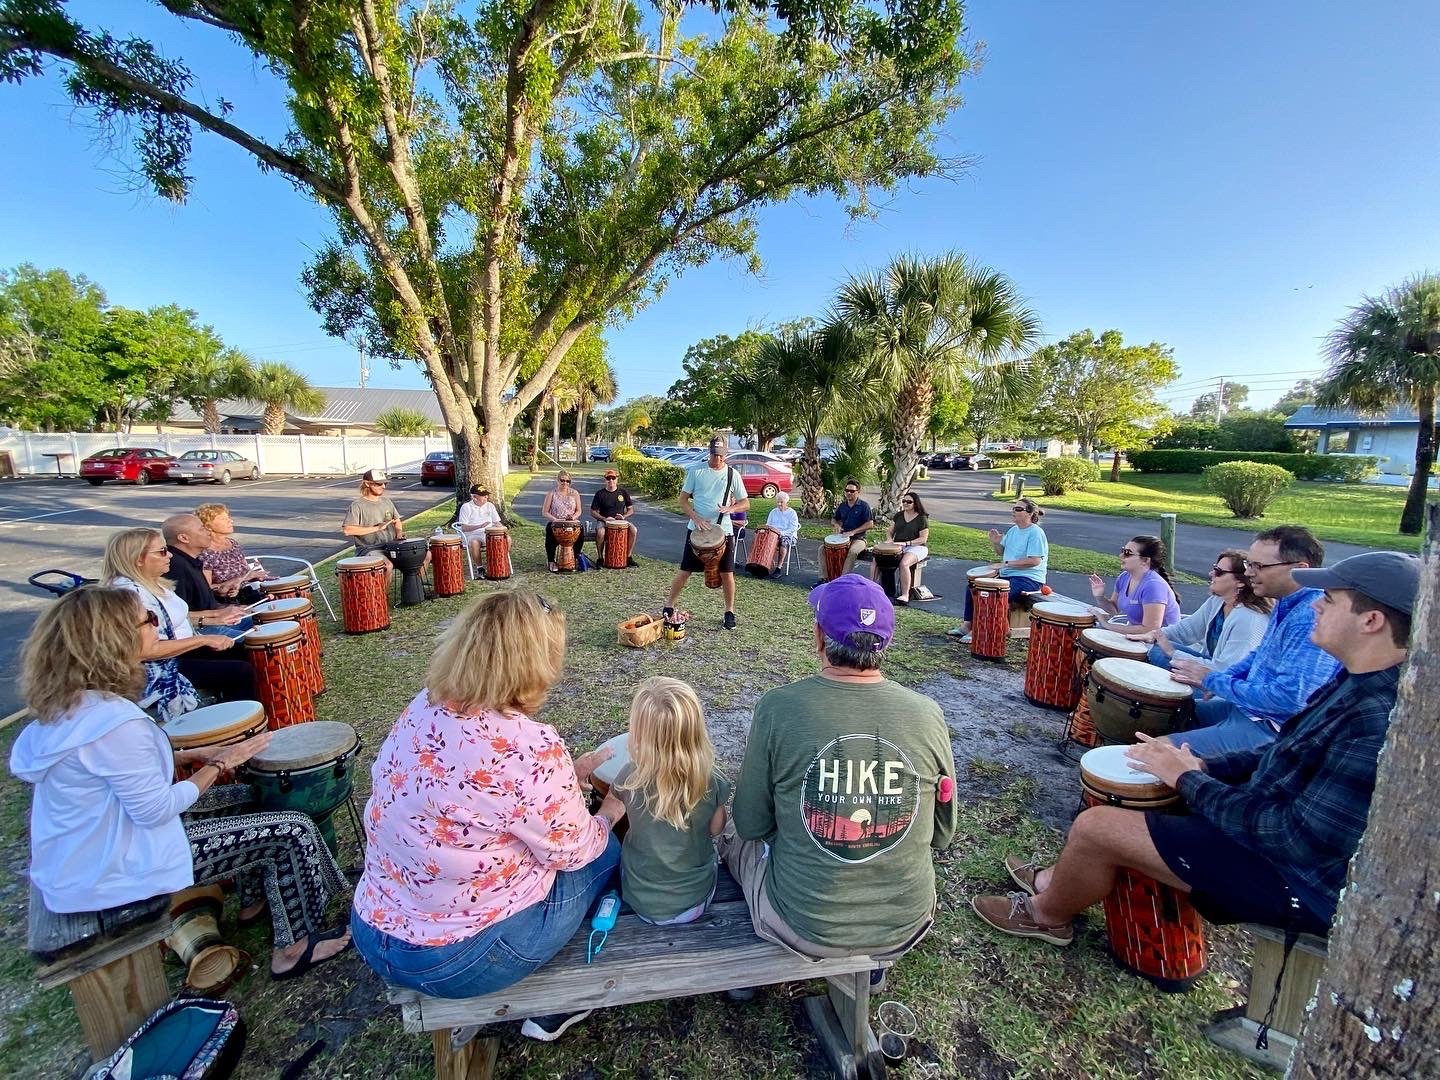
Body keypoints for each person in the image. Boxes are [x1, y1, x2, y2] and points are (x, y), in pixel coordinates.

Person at [970, 551, 1419, 948]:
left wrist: (1190, 781)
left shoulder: (1375, 719)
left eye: (1331, 600)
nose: (1316, 605)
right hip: (1276, 840)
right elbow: (1283, 751)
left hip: (1300, 883)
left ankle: (1047, 916)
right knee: (1150, 782)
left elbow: (1291, 837)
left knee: (1096, 827)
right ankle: (1054, 881)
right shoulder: (1356, 681)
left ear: (1371, 621)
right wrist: (1203, 764)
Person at [10, 586, 352, 979]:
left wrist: (187, 757)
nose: (157, 627)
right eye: (148, 620)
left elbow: (108, 774)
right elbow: (156, 809)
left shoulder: (69, 707)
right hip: (117, 868)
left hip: (88, 856)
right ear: (114, 640)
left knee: (251, 794)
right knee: (293, 829)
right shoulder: (115, 724)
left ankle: (254, 900)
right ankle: (293, 948)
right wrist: (222, 762)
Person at [350, 591, 623, 1042]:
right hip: (457, 960)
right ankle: (572, 995)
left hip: (373, 927)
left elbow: (474, 800)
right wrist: (609, 813)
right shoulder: (528, 746)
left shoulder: (423, 706)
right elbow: (577, 848)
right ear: (536, 663)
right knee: (607, 855)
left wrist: (564, 782)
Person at [724, 575, 957, 968]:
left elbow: (750, 825)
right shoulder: (927, 713)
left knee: (731, 837)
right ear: (887, 643)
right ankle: (872, 967)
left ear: (819, 637)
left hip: (802, 925)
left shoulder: (779, 707)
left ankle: (745, 968)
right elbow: (943, 834)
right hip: (906, 924)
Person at [1165, 525, 1341, 757]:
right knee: (1166, 713)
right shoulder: (1286, 602)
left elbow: (1290, 700)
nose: (1248, 573)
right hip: (1249, 711)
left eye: (1259, 566)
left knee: (1156, 751)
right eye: (1250, 564)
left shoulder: (1310, 617)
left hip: (1271, 728)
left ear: (1299, 569)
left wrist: (1215, 681)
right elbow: (1260, 655)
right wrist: (1217, 679)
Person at [102, 528, 256, 721]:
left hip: (179, 649)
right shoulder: (129, 595)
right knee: (240, 671)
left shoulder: (152, 583)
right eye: (162, 552)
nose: (170, 555)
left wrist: (215, 615)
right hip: (156, 667)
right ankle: (234, 728)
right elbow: (145, 650)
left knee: (251, 650)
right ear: (138, 559)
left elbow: (176, 617)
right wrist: (205, 639)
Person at [614, 677, 731, 925]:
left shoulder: (629, 777)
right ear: (695, 729)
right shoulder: (712, 779)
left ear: (638, 731)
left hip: (639, 900)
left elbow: (617, 811)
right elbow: (717, 829)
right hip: (694, 902)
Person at [1127, 549, 1272, 675]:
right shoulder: (1218, 601)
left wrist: (1172, 653)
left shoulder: (1249, 619)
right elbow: (1187, 629)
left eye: (1219, 572)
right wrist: (1153, 635)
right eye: (1214, 568)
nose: (1211, 573)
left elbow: (1228, 671)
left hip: (1227, 685)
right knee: (1151, 647)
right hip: (1213, 669)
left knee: (1157, 655)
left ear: (1240, 582)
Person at [664, 437, 749, 630]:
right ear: (709, 452)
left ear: (725, 455)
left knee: (727, 574)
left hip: (723, 532)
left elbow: (745, 502)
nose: (717, 459)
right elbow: (683, 500)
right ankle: (669, 606)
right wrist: (695, 517)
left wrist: (731, 508)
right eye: (714, 454)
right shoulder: (697, 471)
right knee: (685, 571)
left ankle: (729, 612)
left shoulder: (732, 474)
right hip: (697, 531)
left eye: (720, 455)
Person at [947, 497, 1049, 644]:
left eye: (1018, 509)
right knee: (973, 586)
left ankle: (979, 631)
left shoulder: (1035, 533)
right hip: (1008, 576)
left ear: (1030, 513)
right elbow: (1001, 552)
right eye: (1014, 508)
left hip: (1029, 579)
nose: (1014, 511)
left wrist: (1005, 564)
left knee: (991, 594)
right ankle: (967, 625)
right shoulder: (1014, 530)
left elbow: (1034, 561)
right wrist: (995, 543)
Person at [162, 514, 255, 639]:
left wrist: (225, 601)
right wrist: (218, 613)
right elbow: (175, 616)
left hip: (214, 621)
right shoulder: (175, 567)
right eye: (202, 529)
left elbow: (201, 603)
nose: (209, 532)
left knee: (265, 619)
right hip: (200, 629)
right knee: (258, 640)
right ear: (184, 538)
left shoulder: (191, 560)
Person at [1086, 535, 1181, 633]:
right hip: (1141, 640)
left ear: (1145, 560)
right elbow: (1114, 610)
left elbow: (1150, 629)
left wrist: (1107, 625)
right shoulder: (1124, 577)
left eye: (1127, 553)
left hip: (1163, 643)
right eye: (1122, 551)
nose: (1121, 556)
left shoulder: (1154, 586)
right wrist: (1100, 596)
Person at [194, 503, 272, 603]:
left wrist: (256, 576)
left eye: (229, 517)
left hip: (248, 592)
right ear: (207, 526)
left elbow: (246, 572)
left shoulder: (232, 543)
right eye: (223, 519)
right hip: (228, 602)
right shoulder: (205, 552)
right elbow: (206, 588)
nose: (231, 521)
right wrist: (238, 580)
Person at [342, 468, 404, 582]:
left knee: (424, 556)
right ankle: (382, 598)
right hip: (368, 549)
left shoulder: (387, 502)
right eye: (379, 484)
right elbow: (348, 530)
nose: (383, 487)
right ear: (367, 484)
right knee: (387, 566)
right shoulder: (357, 505)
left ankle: (413, 592)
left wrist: (399, 534)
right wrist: (377, 528)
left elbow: (397, 521)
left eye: (385, 483)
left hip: (391, 546)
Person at [872, 490, 929, 605]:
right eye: (904, 501)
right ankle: (871, 588)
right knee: (877, 558)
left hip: (917, 546)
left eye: (909, 501)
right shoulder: (899, 515)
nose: (906, 503)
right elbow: (890, 531)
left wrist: (907, 543)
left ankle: (905, 594)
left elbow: (923, 539)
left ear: (915, 503)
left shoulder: (921, 518)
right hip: (898, 545)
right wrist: (889, 539)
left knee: (904, 563)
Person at [590, 469, 638, 567]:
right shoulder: (600, 494)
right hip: (604, 520)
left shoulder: (623, 492)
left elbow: (631, 509)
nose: (611, 480)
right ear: (605, 480)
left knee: (634, 530)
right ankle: (600, 558)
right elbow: (593, 512)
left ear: (617, 479)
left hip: (620, 521)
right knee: (600, 532)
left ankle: (628, 557)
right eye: (608, 478)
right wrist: (604, 519)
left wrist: (623, 516)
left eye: (613, 478)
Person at [541, 470, 585, 573]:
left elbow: (579, 510)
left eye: (567, 481)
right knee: (549, 530)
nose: (565, 483)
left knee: (581, 530)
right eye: (562, 480)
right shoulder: (551, 494)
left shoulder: (575, 493)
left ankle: (575, 557)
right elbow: (545, 512)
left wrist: (573, 517)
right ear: (558, 481)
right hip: (556, 522)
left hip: (571, 522)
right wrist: (555, 520)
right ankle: (551, 560)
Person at [829, 479, 874, 577]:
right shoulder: (843, 505)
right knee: (822, 549)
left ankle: (843, 579)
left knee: (852, 552)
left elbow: (870, 524)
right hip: (843, 537)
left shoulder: (864, 506)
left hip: (859, 539)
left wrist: (854, 532)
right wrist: (836, 524)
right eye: (847, 490)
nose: (849, 493)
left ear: (858, 492)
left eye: (852, 491)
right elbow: (834, 519)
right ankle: (824, 578)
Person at [455, 484, 502, 571]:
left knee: (507, 539)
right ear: (474, 497)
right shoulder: (466, 507)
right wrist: (480, 526)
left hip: (488, 533)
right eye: (483, 496)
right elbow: (464, 527)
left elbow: (497, 522)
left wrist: (503, 530)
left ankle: (499, 563)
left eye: (486, 495)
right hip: (472, 534)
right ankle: (480, 568)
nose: (486, 497)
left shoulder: (490, 505)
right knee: (474, 543)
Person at [765, 491, 800, 560]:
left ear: (786, 502)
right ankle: (764, 563)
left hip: (789, 536)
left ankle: (779, 566)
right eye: (778, 502)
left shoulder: (792, 513)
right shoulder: (773, 512)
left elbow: (793, 528)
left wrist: (781, 533)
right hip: (774, 535)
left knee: (783, 541)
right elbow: (768, 525)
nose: (779, 504)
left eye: (781, 502)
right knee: (763, 540)